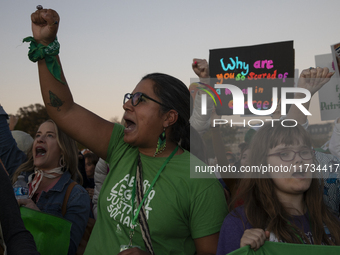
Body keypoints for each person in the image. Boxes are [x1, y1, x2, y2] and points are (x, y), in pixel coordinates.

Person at [27, 8, 228, 255]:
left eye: (139, 99)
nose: (126, 104)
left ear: (169, 117)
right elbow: (64, 110)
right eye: (129, 97)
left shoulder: (202, 184)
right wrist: (46, 45)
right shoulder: (120, 146)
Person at [216, 122, 340, 255]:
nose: (299, 159)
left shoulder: (333, 222)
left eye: (304, 152)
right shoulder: (239, 224)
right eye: (284, 154)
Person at [11, 120, 90, 255]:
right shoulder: (20, 183)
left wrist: (37, 217)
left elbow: (67, 249)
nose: (40, 139)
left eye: (49, 135)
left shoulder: (76, 195)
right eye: (38, 135)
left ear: (63, 149)